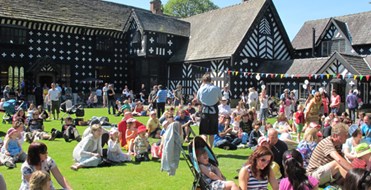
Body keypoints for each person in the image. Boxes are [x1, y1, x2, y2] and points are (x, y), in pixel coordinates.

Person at [197, 73, 222, 147]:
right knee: (212, 132)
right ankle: (210, 149)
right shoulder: (216, 88)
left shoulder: (200, 89)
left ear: (203, 81)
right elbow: (220, 98)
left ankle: (205, 148)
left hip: (204, 110)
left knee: (204, 133)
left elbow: (199, 101)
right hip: (213, 111)